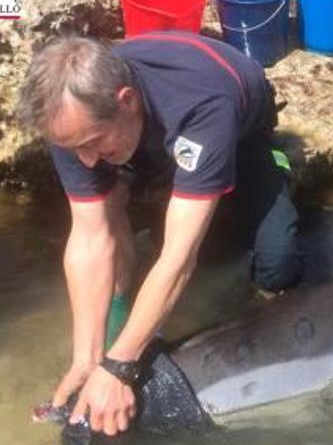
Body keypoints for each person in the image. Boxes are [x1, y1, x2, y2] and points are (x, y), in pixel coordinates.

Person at [17, 31, 300, 436]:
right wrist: (87, 357)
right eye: (74, 149)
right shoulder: (72, 121)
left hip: (238, 130)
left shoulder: (201, 107)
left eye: (92, 144)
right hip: (148, 136)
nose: (85, 160)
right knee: (111, 216)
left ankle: (274, 164)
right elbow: (91, 237)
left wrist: (118, 367)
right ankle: (108, 344)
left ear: (126, 101)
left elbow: (179, 256)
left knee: (278, 262)